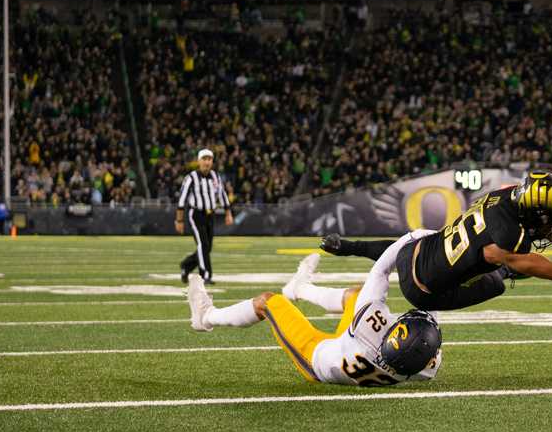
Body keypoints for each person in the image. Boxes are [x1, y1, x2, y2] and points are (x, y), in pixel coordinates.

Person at [319, 171, 552, 312]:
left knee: (422, 239)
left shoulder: (504, 196)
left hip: (416, 251)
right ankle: (500, 270)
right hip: (423, 293)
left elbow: (538, 222)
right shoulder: (510, 239)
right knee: (499, 279)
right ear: (536, 213)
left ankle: (347, 247)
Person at [186, 232, 441, 386]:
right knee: (354, 295)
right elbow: (431, 313)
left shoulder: (369, 330)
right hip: (350, 348)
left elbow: (382, 267)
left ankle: (205, 316)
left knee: (268, 301)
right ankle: (299, 287)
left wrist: (412, 238)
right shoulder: (426, 369)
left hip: (316, 357)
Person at [176, 148, 232, 284]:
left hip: (209, 214)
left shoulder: (215, 176)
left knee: (207, 247)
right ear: (199, 161)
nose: (207, 162)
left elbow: (222, 194)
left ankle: (186, 265)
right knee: (203, 244)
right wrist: (179, 220)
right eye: (204, 159)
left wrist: (228, 212)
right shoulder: (191, 177)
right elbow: (182, 199)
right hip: (195, 214)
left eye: (209, 159)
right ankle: (205, 275)